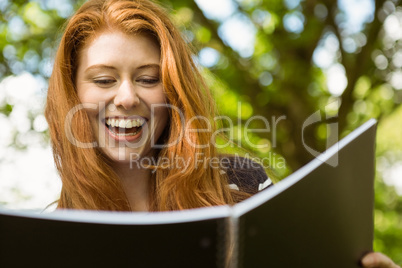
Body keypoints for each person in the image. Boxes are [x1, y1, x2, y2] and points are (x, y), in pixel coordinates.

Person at [44, 0, 400, 267]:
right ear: (72, 94)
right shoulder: (47, 239)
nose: (126, 98)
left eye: (148, 79)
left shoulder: (243, 183)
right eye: (104, 80)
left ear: (172, 92)